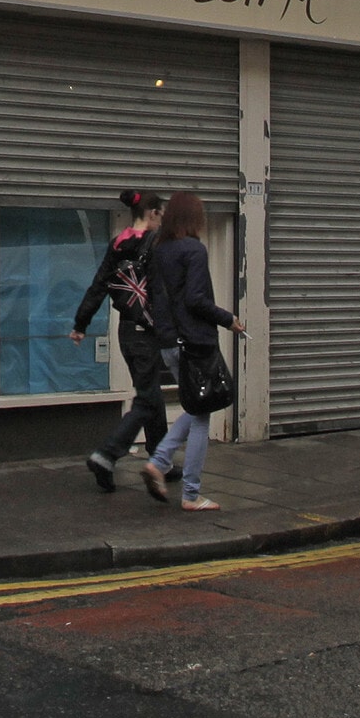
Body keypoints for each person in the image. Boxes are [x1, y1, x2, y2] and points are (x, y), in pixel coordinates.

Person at [143, 190, 244, 512]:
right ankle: (191, 494)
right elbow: (196, 300)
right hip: (195, 341)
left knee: (194, 405)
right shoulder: (193, 250)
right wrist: (229, 320)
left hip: (169, 343)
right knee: (202, 415)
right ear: (193, 218)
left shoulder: (158, 249)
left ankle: (158, 462)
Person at [71, 190, 166, 491]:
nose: (162, 219)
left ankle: (161, 460)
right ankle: (107, 454)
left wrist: (81, 323)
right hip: (145, 331)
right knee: (147, 398)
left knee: (152, 394)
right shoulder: (155, 244)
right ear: (152, 213)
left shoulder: (118, 243)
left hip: (126, 331)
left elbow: (99, 285)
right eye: (160, 214)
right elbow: (163, 292)